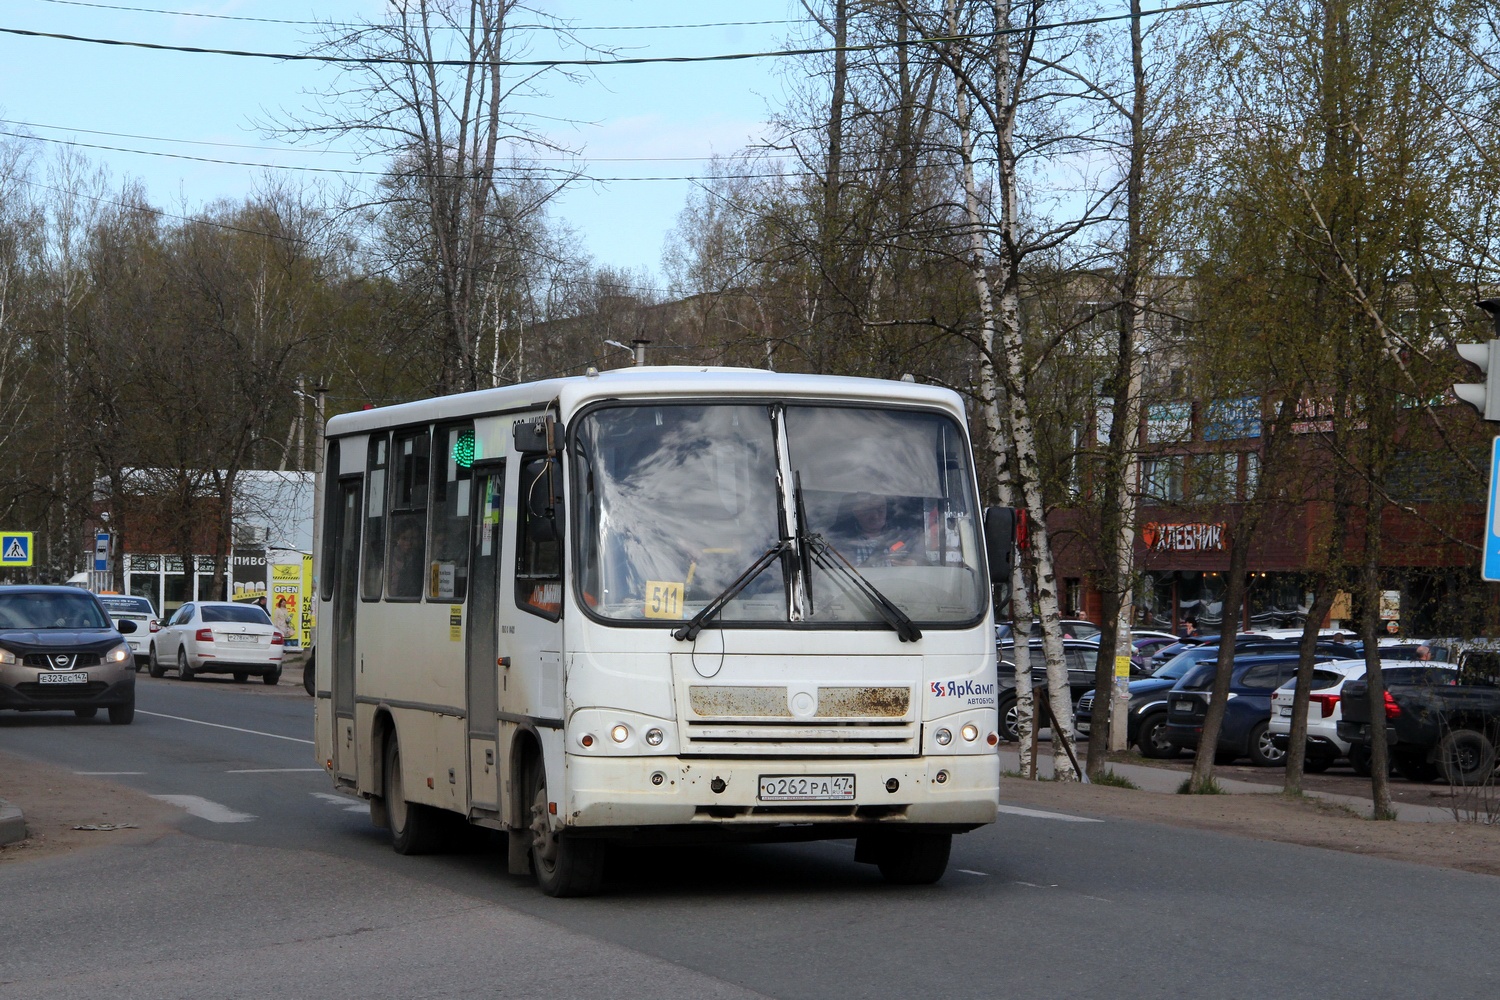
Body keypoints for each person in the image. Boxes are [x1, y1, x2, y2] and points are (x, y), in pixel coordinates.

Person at [838, 492, 917, 567]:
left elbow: (925, 560)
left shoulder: (904, 537)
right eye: (868, 510)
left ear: (886, 510)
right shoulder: (839, 542)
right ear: (856, 512)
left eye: (880, 510)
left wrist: (915, 565)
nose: (875, 516)